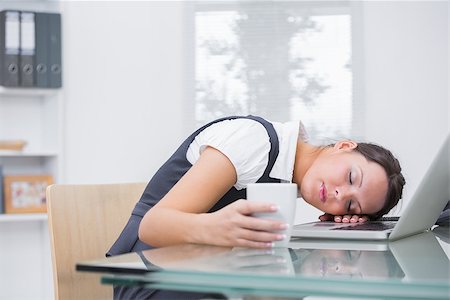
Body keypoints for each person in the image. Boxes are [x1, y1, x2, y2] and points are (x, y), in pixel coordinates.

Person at [108, 115, 405, 299]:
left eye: (351, 205)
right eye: (351, 176)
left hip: (204, 278)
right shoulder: (254, 143)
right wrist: (216, 228)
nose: (340, 193)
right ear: (343, 145)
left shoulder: (289, 178)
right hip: (152, 282)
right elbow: (153, 224)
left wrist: (338, 231)